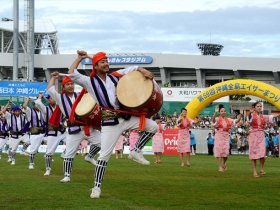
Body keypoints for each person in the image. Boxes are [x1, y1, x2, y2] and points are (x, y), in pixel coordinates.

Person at [66, 50, 158, 198]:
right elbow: (71, 73)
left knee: (153, 126)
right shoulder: (89, 82)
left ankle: (135, 151)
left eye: (107, 61)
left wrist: (143, 70)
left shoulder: (115, 77)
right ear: (95, 66)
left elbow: (132, 68)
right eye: (103, 62)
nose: (106, 63)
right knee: (103, 157)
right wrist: (79, 58)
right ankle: (96, 188)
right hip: (110, 122)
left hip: (125, 117)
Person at [47, 74, 101, 183]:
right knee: (69, 155)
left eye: (72, 84)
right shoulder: (60, 98)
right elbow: (50, 89)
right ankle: (67, 175)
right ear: (63, 87)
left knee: (103, 143)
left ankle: (89, 156)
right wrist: (53, 78)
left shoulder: (81, 95)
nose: (70, 86)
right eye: (68, 84)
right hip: (73, 130)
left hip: (87, 127)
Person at [34, 93, 67, 176]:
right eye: (51, 98)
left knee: (75, 142)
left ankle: (64, 154)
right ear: (48, 100)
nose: (53, 99)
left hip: (62, 131)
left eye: (54, 98)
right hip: (52, 132)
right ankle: (48, 169)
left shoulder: (61, 107)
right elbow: (38, 103)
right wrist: (40, 97)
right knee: (49, 153)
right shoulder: (46, 109)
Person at [247, 102, 280, 177]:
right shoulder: (251, 115)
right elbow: (249, 121)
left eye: (260, 106)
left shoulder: (263, 116)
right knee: (253, 153)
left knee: (263, 152)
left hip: (261, 134)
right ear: (254, 108)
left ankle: (261, 168)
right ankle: (254, 171)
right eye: (258, 106)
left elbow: (272, 117)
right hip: (253, 135)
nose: (259, 107)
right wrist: (250, 113)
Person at [212, 104, 243, 172]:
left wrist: (240, 114)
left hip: (226, 135)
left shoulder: (228, 119)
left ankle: (224, 163)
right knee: (219, 151)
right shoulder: (217, 119)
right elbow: (213, 120)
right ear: (219, 112)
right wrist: (215, 112)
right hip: (219, 135)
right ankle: (219, 166)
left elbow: (237, 121)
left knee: (226, 152)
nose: (223, 112)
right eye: (222, 111)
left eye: (224, 111)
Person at [23, 97, 46, 170]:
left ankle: (49, 155)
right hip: (34, 133)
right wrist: (27, 99)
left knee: (52, 140)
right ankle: (31, 163)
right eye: (36, 105)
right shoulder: (30, 111)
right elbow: (24, 107)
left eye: (38, 105)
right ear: (33, 105)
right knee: (33, 149)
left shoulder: (43, 111)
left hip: (43, 132)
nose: (38, 106)